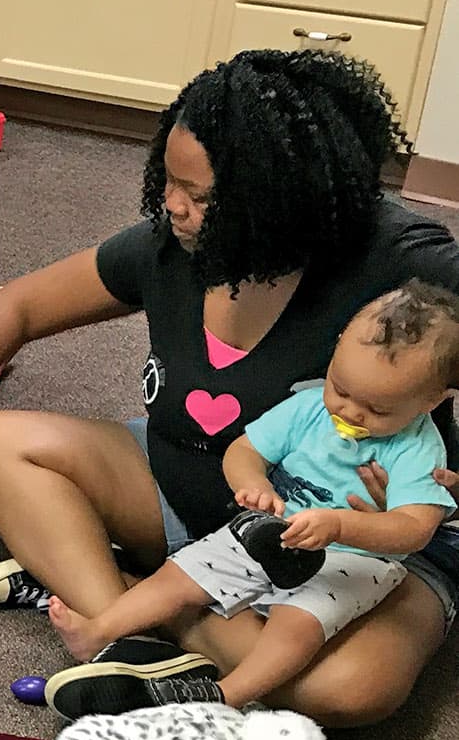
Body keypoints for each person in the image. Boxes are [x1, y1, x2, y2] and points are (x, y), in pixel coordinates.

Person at [0, 49, 459, 727]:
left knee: (348, 690)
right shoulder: (172, 244)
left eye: (202, 197)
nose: (172, 206)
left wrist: (434, 491)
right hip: (189, 484)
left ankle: (128, 594)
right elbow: (18, 306)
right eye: (169, 180)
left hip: (357, 542)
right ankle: (129, 634)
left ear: (281, 199)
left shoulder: (399, 263)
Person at [47, 284, 456, 716]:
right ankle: (98, 631)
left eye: (377, 410)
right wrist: (252, 484)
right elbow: (245, 450)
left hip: (351, 558)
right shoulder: (311, 405)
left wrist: (340, 526)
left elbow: (413, 528)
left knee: (296, 628)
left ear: (431, 399)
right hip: (270, 531)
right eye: (341, 388)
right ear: (337, 350)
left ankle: (224, 696)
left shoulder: (418, 450)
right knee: (179, 575)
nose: (350, 412)